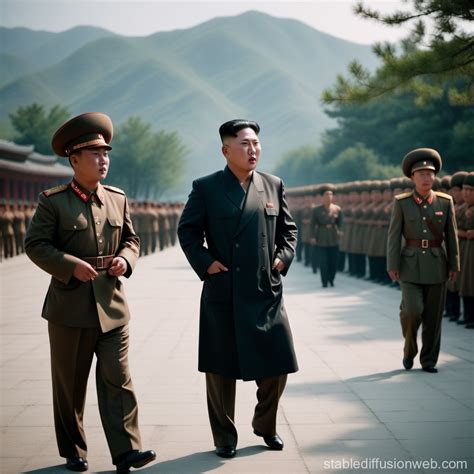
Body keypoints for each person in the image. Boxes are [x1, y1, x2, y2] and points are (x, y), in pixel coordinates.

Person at [24, 112, 156, 473]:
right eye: (95, 154)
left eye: (106, 154)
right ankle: (73, 449)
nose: (103, 160)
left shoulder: (117, 198)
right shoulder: (53, 201)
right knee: (70, 384)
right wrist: (69, 265)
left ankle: (127, 451)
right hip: (70, 309)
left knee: (118, 377)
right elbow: (35, 244)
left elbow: (132, 239)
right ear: (74, 160)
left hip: (112, 305)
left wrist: (125, 260)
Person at [177, 119, 298, 459]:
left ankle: (265, 424)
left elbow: (288, 231)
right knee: (220, 368)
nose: (253, 149)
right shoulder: (206, 188)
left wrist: (282, 258)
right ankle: (224, 436)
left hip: (264, 289)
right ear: (226, 150)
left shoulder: (273, 184)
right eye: (245, 144)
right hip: (224, 288)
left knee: (279, 361)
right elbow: (188, 232)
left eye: (256, 143)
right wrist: (206, 264)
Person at [387, 148, 459, 373]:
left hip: (437, 265)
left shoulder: (445, 202)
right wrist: (392, 264)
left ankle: (428, 361)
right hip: (409, 265)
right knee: (412, 311)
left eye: (430, 174)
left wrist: (454, 264)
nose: (426, 178)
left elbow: (452, 236)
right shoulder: (402, 202)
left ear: (435, 176)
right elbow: (393, 236)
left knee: (433, 317)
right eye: (421, 174)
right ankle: (409, 350)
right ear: (412, 177)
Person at [310, 184, 342, 287]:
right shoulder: (316, 210)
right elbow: (312, 224)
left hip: (333, 237)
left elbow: (341, 223)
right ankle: (324, 281)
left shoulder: (337, 209)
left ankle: (331, 279)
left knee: (333, 262)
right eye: (326, 195)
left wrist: (341, 231)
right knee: (323, 262)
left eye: (330, 195)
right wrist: (313, 237)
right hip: (321, 237)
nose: (329, 197)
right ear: (322, 197)